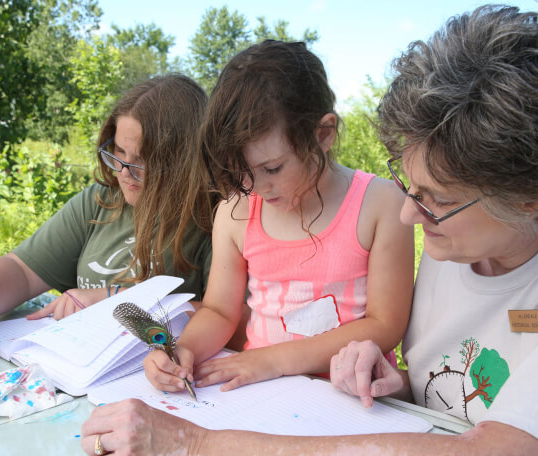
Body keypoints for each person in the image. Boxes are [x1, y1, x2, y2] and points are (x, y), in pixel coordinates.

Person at [80, 7, 538, 456]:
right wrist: (397, 383)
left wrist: (190, 451)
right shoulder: (464, 236)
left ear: (535, 196)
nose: (410, 213)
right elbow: (461, 390)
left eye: (435, 197)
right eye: (408, 181)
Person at [143, 40, 414, 394]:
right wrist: (184, 349)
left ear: (323, 135)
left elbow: (385, 325)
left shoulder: (380, 205)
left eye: (272, 168)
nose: (258, 187)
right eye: (241, 171)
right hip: (261, 396)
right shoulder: (236, 212)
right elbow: (220, 311)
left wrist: (274, 360)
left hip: (352, 396)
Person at [0, 74, 215, 335]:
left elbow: (234, 320)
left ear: (183, 160)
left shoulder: (213, 220)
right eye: (118, 153)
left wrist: (111, 299)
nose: (125, 174)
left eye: (143, 162)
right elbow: (23, 270)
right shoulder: (102, 201)